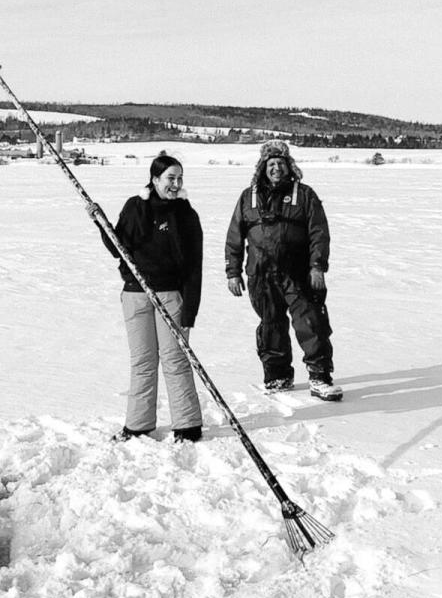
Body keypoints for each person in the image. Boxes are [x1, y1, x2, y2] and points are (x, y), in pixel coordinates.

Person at [98, 153, 204, 442]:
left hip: (171, 295)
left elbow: (194, 265)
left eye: (179, 178)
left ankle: (188, 425)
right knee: (142, 362)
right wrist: (100, 222)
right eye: (170, 177)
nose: (176, 183)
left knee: (175, 360)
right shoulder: (135, 207)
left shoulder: (185, 214)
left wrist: (190, 309)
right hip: (136, 294)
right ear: (155, 179)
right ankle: (138, 424)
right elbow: (119, 247)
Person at [225, 141, 343, 401]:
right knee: (271, 325)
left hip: (298, 272)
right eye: (271, 164)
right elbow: (235, 236)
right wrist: (232, 271)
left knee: (311, 323)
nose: (276, 168)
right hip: (261, 273)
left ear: (289, 166)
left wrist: (317, 266)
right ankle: (278, 375)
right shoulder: (249, 197)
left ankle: (320, 376)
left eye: (281, 163)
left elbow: (319, 234)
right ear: (262, 168)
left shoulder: (305, 195)